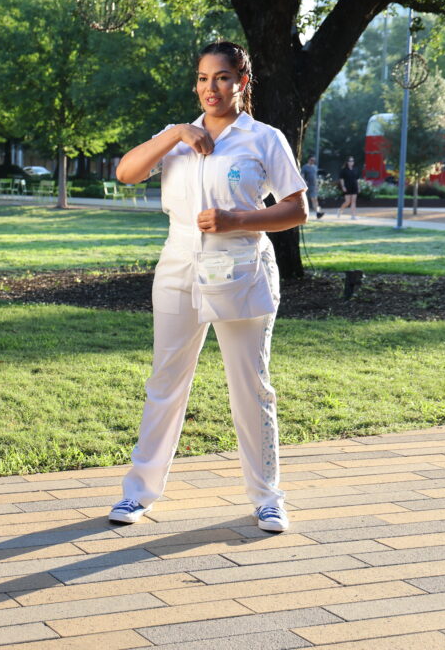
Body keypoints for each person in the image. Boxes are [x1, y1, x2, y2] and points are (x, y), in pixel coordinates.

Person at [107, 40, 307, 533]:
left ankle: (267, 497)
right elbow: (126, 172)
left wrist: (238, 217)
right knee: (165, 383)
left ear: (243, 82)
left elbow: (297, 209)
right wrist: (175, 133)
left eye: (221, 77)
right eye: (202, 78)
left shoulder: (264, 139)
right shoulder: (177, 136)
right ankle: (138, 494)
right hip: (177, 266)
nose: (210, 88)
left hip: (240, 267)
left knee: (250, 386)